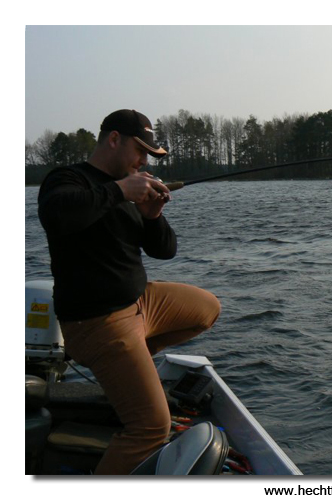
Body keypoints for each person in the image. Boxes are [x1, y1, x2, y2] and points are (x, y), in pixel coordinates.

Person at [38, 109, 221, 474]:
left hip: (142, 303)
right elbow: (57, 215)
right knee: (152, 427)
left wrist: (152, 215)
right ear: (113, 139)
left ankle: (131, 369)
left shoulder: (131, 186)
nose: (144, 162)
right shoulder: (68, 179)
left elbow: (165, 250)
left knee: (207, 308)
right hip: (98, 322)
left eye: (149, 156)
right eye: (140, 151)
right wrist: (121, 191)